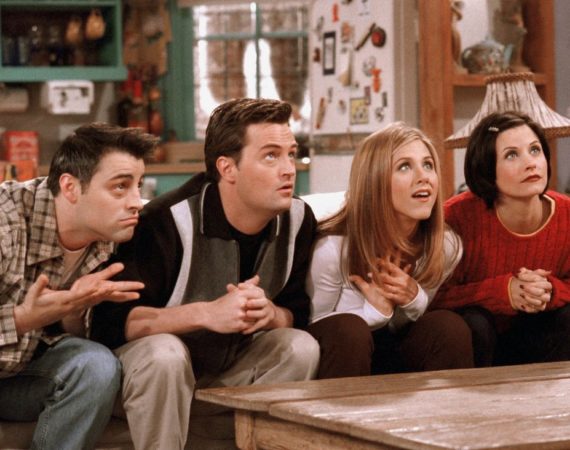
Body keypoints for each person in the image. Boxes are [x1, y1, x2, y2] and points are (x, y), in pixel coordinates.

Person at [91, 98, 320, 450]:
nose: (289, 169)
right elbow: (111, 323)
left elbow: (297, 311)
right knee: (164, 354)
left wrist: (271, 314)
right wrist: (207, 313)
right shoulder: (163, 222)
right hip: (153, 379)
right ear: (227, 168)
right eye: (271, 156)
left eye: (291, 154)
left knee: (299, 347)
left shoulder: (299, 220)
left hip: (227, 374)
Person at [0, 122, 156, 450]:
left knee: (95, 365)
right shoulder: (6, 223)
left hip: (19, 375)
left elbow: (72, 336)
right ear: (70, 187)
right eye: (120, 187)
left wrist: (73, 312)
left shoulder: (109, 237)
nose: (136, 202)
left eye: (138, 185)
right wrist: (23, 318)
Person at [306, 122, 473, 379]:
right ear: (374, 181)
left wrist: (414, 298)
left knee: (449, 327)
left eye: (428, 165)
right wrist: (374, 312)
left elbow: (413, 321)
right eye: (404, 166)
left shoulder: (446, 245)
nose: (424, 177)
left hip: (397, 351)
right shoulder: (332, 247)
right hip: (345, 358)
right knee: (350, 331)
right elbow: (311, 327)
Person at [432, 111, 570, 367]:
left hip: (540, 335)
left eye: (535, 150)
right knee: (475, 323)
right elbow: (431, 297)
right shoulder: (455, 217)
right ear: (487, 169)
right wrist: (501, 292)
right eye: (512, 155)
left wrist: (551, 290)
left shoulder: (567, 214)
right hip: (480, 340)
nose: (531, 163)